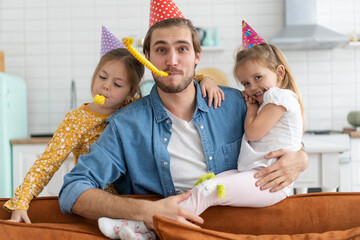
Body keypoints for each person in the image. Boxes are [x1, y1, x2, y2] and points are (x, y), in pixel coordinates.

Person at [59, 1, 308, 239]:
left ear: (197, 55)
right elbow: (73, 190)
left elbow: (281, 138)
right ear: (147, 57)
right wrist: (147, 212)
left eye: (182, 48)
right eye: (161, 50)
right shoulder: (126, 125)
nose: (172, 61)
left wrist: (301, 158)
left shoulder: (239, 104)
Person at [3, 25, 221, 224]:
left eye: (117, 84)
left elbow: (177, 81)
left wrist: (204, 79)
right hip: (99, 204)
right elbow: (46, 163)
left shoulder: (133, 109)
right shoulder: (75, 120)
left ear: (131, 92)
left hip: (134, 198)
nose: (105, 87)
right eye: (102, 77)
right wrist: (22, 201)